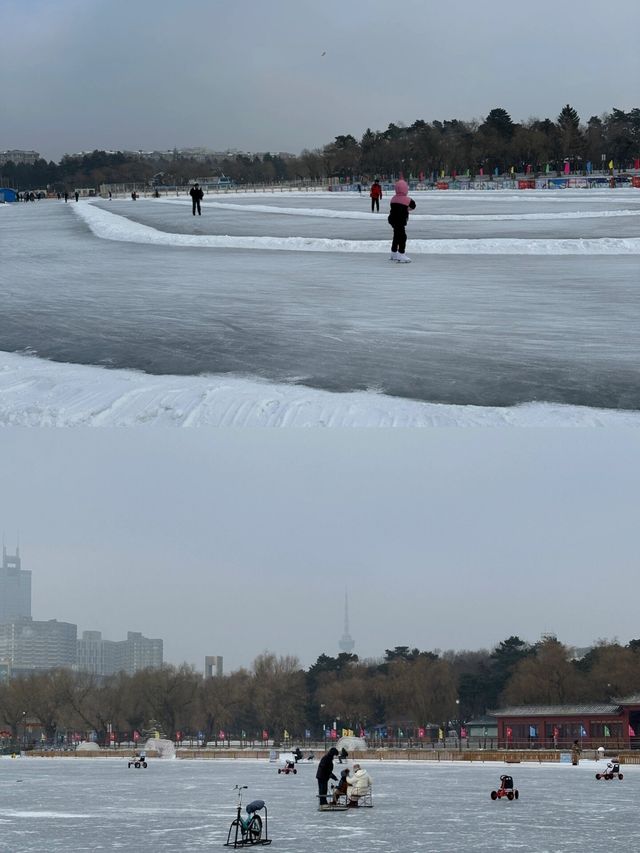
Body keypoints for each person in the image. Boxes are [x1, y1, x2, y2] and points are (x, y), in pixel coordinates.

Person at [387, 179, 416, 263]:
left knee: (396, 235)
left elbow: (393, 207)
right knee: (402, 237)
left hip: (392, 219)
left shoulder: (393, 199)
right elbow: (413, 205)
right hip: (400, 220)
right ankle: (401, 253)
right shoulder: (407, 200)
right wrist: (407, 209)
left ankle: (394, 252)